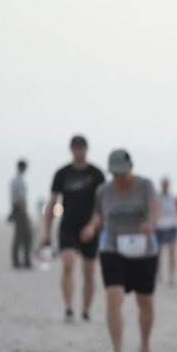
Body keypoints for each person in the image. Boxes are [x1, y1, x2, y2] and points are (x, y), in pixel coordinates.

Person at [80, 149, 159, 352]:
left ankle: (144, 344)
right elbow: (98, 214)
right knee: (113, 298)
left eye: (122, 173)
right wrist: (91, 227)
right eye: (114, 174)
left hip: (144, 250)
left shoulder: (145, 185)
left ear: (131, 167)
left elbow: (154, 209)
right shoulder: (103, 191)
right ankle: (117, 349)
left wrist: (151, 224)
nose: (118, 178)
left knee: (145, 300)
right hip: (112, 248)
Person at [41, 135, 106, 322]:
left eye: (82, 147)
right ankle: (69, 308)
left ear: (87, 149)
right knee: (68, 265)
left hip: (90, 227)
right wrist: (47, 231)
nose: (79, 151)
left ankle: (86, 310)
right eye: (76, 147)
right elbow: (52, 203)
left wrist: (94, 227)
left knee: (89, 272)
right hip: (68, 226)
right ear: (71, 149)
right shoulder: (62, 173)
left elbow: (101, 206)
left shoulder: (96, 174)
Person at [155, 177, 177, 285]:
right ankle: (158, 273)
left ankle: (171, 275)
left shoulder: (173, 198)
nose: (165, 186)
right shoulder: (156, 197)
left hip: (171, 226)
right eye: (163, 184)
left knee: (172, 251)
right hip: (159, 226)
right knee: (158, 252)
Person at [9, 159, 33, 269]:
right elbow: (21, 199)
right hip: (20, 211)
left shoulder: (15, 180)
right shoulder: (19, 181)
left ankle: (19, 261)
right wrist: (26, 214)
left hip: (16, 210)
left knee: (20, 236)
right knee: (24, 236)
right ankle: (23, 261)